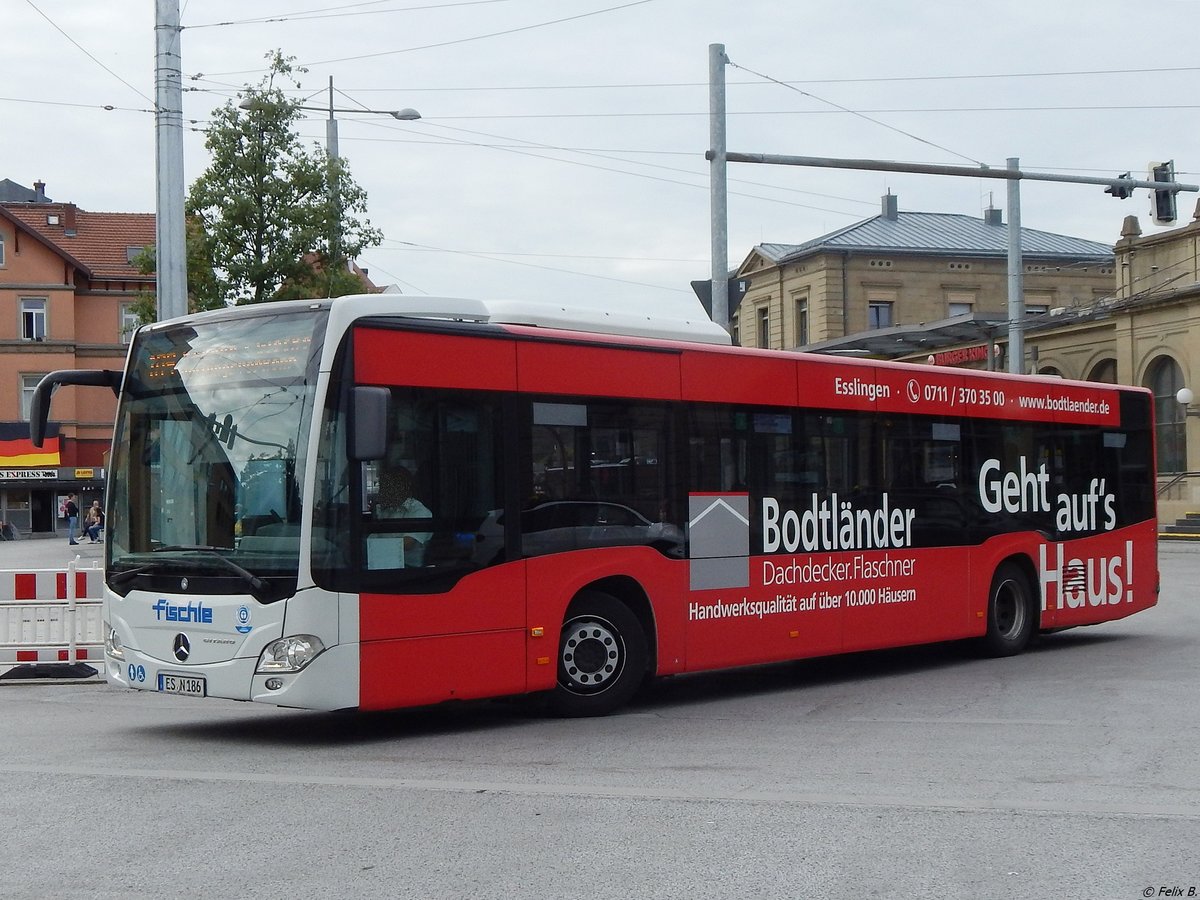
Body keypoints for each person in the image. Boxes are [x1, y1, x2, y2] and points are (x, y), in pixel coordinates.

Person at [371, 466, 433, 567]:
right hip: (384, 562)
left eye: (386, 487)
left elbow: (408, 543)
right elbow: (375, 534)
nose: (381, 492)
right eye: (381, 487)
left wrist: (372, 546)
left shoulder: (419, 511)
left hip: (408, 568)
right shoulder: (387, 511)